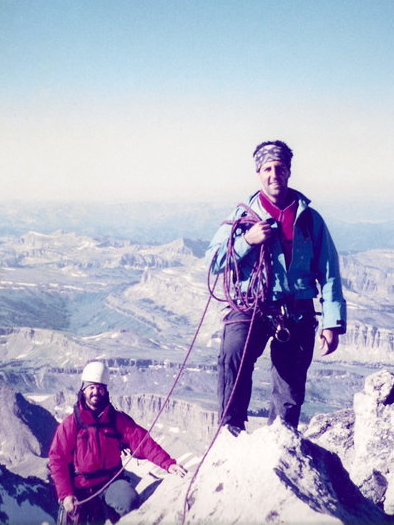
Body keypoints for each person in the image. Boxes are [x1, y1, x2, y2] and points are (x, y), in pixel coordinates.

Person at [205, 140, 346, 434]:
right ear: (258, 173)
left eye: (279, 168)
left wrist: (331, 323)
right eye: (267, 168)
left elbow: (329, 271)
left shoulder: (309, 219)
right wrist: (247, 241)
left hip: (297, 309)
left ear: (289, 172)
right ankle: (230, 428)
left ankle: (280, 436)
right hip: (251, 303)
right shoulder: (242, 218)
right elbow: (214, 261)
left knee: (291, 379)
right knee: (233, 353)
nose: (273, 174)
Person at [48, 361, 186, 525]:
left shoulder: (115, 419)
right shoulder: (72, 424)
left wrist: (168, 464)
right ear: (83, 389)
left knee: (129, 501)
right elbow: (57, 459)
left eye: (100, 388)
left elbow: (142, 442)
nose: (95, 392)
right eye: (91, 387)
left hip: (111, 483)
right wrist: (66, 494)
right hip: (81, 489)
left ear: (105, 391)